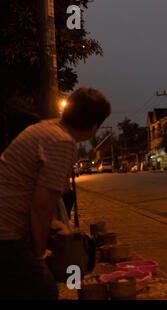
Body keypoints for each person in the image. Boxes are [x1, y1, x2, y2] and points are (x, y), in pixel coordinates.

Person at [0, 87, 111, 299]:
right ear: (95, 127)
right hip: (5, 230)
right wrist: (40, 256)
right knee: (44, 288)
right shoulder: (62, 141)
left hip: (9, 226)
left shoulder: (46, 128)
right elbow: (42, 206)